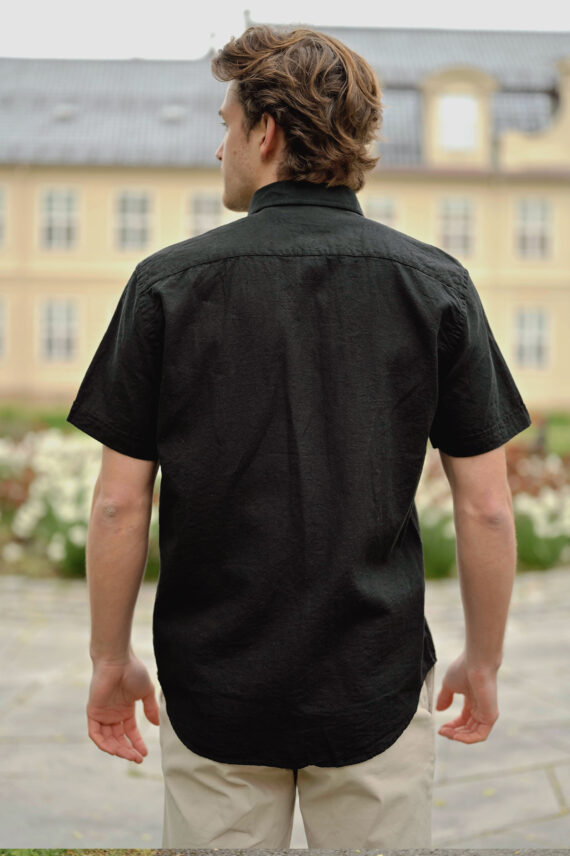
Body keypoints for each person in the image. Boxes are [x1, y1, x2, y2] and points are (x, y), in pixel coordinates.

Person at [66, 25, 531, 850]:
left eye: (226, 124)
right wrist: (483, 661)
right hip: (374, 681)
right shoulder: (436, 285)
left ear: (267, 132)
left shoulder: (166, 285)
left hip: (216, 683)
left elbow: (117, 504)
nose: (219, 148)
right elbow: (489, 506)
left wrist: (110, 660)